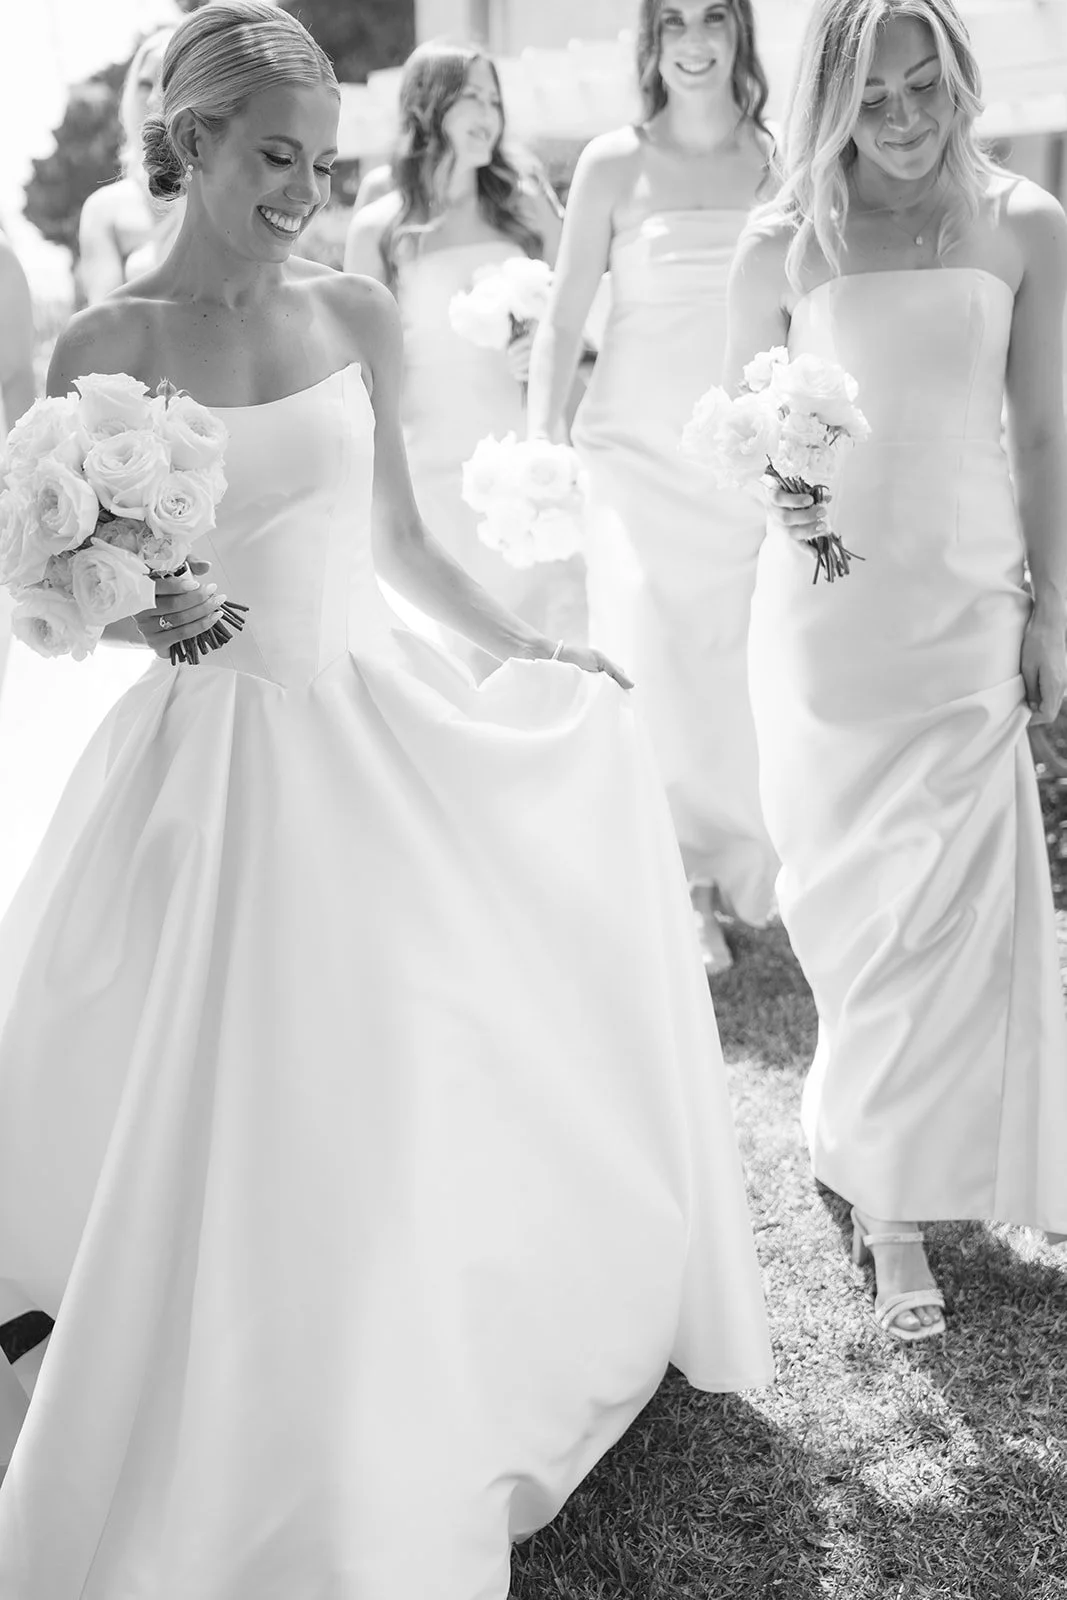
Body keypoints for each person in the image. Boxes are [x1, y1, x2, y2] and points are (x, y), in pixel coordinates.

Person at [0, 5, 773, 1591]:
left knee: (402, 1059)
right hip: (201, 770)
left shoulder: (355, 312)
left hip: (365, 720)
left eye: (320, 160)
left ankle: (387, 1374)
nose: (301, 187)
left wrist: (534, 644)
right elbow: (59, 591)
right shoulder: (102, 352)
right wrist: (129, 605)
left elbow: (404, 547)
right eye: (273, 156)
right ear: (193, 141)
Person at [724, 0, 1067, 1341]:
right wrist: (782, 496)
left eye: (926, 85)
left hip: (969, 606)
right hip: (827, 627)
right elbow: (741, 435)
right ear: (828, 106)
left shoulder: (1025, 222)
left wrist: (1054, 609)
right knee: (863, 913)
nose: (908, 118)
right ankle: (884, 1208)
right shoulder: (781, 246)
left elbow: (1041, 431)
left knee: (967, 907)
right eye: (875, 100)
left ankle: (956, 1158)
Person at [526, 0, 780, 974]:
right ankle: (676, 883)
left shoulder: (773, 159)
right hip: (630, 456)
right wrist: (539, 437)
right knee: (646, 654)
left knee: (730, 668)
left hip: (738, 458)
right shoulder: (610, 163)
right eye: (671, 20)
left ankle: (739, 861)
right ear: (650, 40)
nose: (692, 39)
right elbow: (559, 322)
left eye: (711, 17)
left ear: (735, 33)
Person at [344, 41, 587, 677]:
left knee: (552, 634)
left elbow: (587, 317)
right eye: (473, 96)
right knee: (467, 654)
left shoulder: (529, 208)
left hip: (525, 452)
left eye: (495, 99)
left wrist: (557, 349)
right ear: (430, 106)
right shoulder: (380, 227)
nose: (490, 112)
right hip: (433, 463)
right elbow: (357, 369)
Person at [77, 28, 183, 302]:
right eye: (145, 84)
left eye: (166, 84)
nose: (152, 99)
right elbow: (102, 316)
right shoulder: (104, 209)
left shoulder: (225, 193)